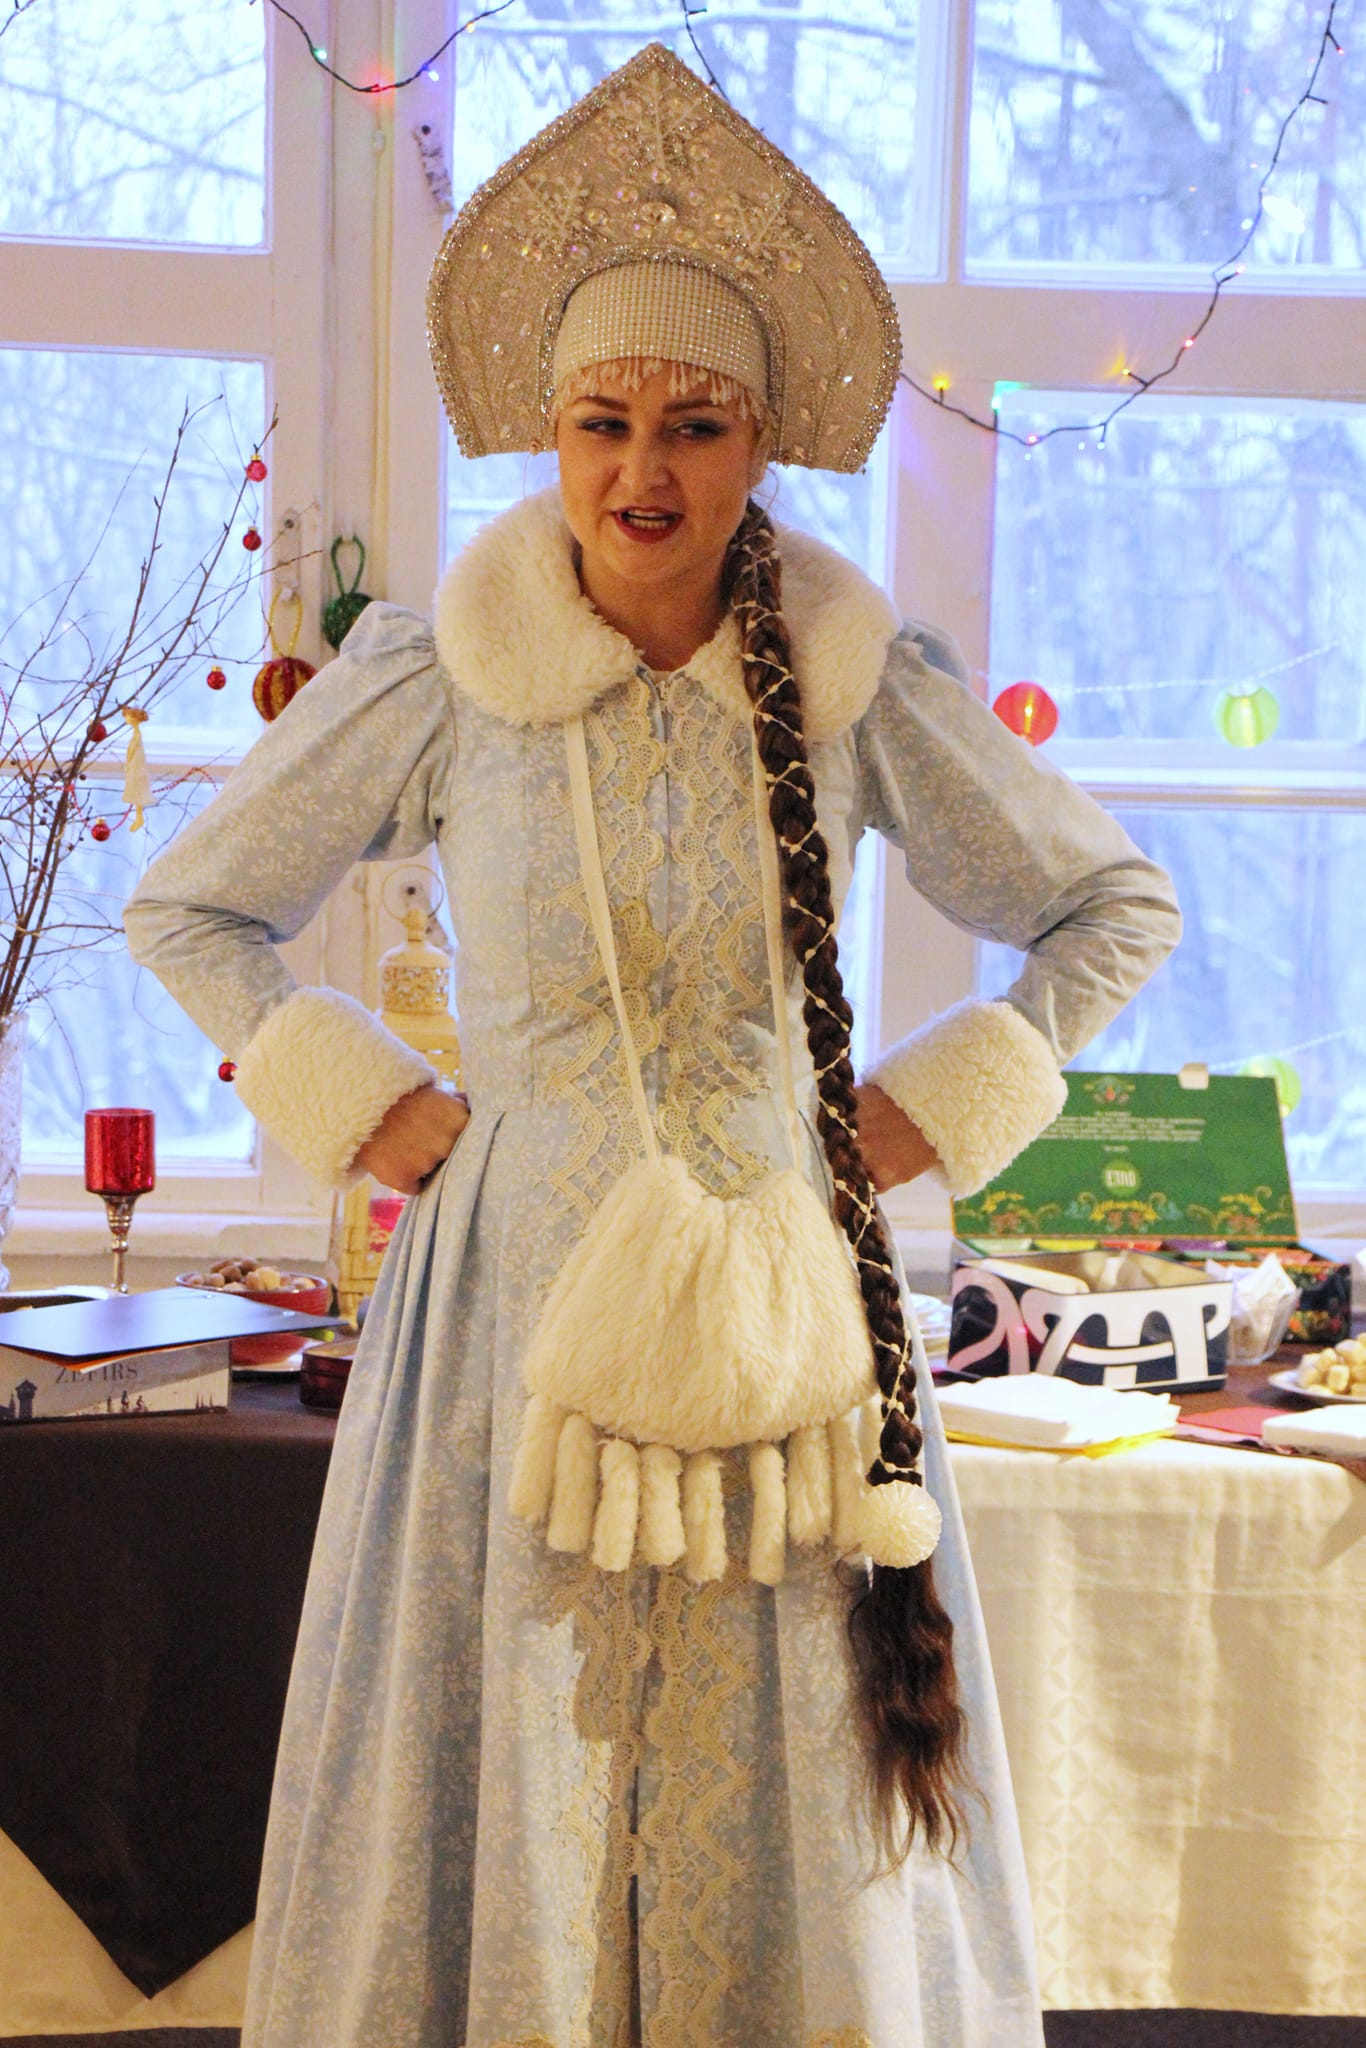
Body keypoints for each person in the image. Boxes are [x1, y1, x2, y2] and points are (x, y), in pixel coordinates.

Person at [125, 45, 1179, 2048]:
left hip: (789, 1314)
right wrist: (370, 1100)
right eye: (601, 425)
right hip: (506, 1313)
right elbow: (191, 907)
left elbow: (1108, 907)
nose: (644, 475)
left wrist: (922, 1109)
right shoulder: (442, 670)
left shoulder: (855, 672)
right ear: (547, 432)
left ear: (759, 440)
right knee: (520, 1750)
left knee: (785, 1783)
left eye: (693, 426)